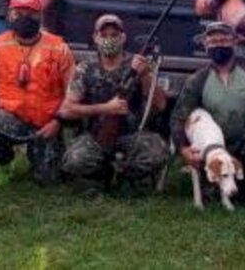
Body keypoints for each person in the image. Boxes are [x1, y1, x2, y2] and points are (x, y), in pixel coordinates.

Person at [0, 0, 75, 186]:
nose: (24, 18)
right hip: (12, 119)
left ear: (40, 16)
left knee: (49, 181)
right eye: (18, 13)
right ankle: (4, 164)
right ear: (9, 15)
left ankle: (39, 155)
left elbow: (73, 92)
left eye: (30, 14)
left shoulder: (59, 48)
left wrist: (57, 122)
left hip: (48, 123)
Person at [170, 22, 245, 202]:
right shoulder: (198, 80)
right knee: (213, 198)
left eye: (224, 39)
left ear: (234, 42)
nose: (218, 44)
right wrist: (183, 149)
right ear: (205, 45)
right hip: (213, 150)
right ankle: (215, 184)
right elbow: (178, 117)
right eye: (213, 41)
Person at [57, 14, 168, 186]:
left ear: (123, 38)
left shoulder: (138, 65)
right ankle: (104, 173)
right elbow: (66, 110)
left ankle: (124, 176)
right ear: (95, 38)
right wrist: (106, 108)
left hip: (131, 135)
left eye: (114, 35)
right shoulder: (85, 68)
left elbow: (160, 104)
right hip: (95, 135)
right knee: (74, 161)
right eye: (104, 35)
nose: (109, 39)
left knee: (158, 154)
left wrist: (145, 75)